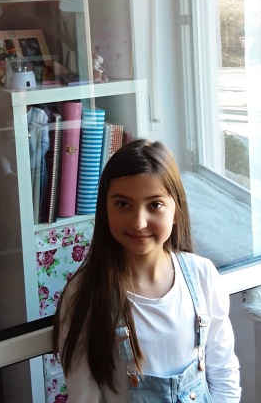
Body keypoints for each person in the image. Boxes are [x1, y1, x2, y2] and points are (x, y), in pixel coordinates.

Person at [53, 139, 241, 402]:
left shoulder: (203, 275)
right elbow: (84, 396)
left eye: (154, 205)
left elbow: (224, 374)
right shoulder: (86, 294)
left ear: (176, 210)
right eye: (123, 204)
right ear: (105, 208)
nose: (139, 222)